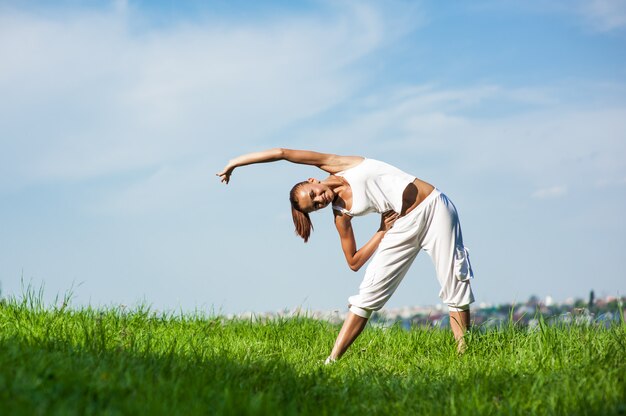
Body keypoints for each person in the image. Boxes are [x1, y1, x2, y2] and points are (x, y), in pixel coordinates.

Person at [217, 148, 474, 361]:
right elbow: (353, 261)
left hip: (433, 208)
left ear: (312, 180)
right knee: (366, 295)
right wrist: (381, 231)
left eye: (314, 194)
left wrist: (236, 163)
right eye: (315, 206)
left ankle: (465, 356)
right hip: (400, 225)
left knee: (455, 281)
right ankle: (331, 362)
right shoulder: (340, 215)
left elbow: (283, 153)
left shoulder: (338, 165)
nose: (320, 200)